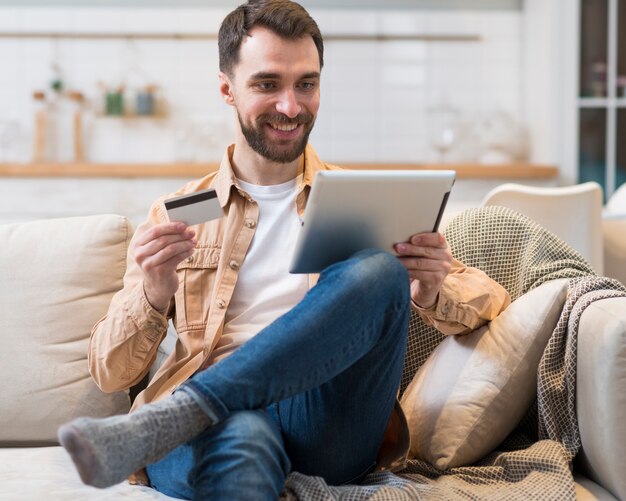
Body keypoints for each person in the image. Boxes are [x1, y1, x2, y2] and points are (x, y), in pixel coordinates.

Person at [58, 1, 511, 499]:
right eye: (268, 84)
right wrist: (153, 293)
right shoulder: (179, 212)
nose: (291, 106)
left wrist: (430, 286)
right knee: (243, 437)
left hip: (324, 420)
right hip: (216, 436)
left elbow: (492, 304)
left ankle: (183, 410)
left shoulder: (361, 201)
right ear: (227, 89)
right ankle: (202, 414)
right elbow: (109, 371)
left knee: (379, 270)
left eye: (307, 84)